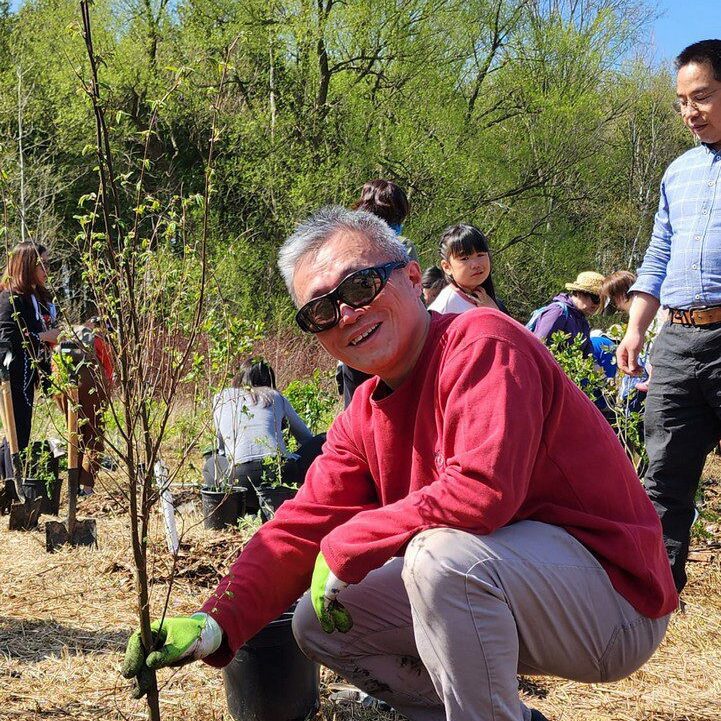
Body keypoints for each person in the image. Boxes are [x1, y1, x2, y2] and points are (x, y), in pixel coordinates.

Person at [124, 206, 676, 721]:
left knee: (441, 558)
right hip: (517, 593)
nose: (346, 314)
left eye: (361, 286)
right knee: (319, 625)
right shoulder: (364, 414)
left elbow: (480, 492)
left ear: (413, 278)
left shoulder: (483, 343)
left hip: (614, 601)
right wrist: (213, 622)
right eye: (320, 310)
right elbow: (299, 525)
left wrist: (349, 542)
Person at [617, 39, 721, 594]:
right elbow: (657, 256)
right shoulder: (676, 172)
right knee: (664, 475)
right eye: (682, 101)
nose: (689, 112)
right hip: (677, 342)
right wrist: (635, 327)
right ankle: (656, 594)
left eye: (700, 97)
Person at [339, 179, 418, 406]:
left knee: (357, 414)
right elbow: (413, 296)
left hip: (353, 341)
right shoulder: (402, 245)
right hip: (392, 343)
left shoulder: (345, 243)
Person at [204, 359, 317, 513]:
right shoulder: (274, 396)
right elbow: (305, 438)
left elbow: (222, 450)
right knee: (322, 441)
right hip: (279, 475)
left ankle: (230, 513)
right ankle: (311, 499)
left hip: (238, 482)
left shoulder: (220, 398)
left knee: (211, 462)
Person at [0, 242, 60, 502]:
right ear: (27, 266)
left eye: (48, 263)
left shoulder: (37, 299)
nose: (47, 269)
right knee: (17, 431)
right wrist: (45, 336)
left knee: (20, 431)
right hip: (11, 372)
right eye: (42, 264)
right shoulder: (9, 299)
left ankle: (11, 486)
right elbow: (9, 339)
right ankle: (13, 488)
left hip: (29, 371)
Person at [53, 319, 114, 495]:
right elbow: (108, 369)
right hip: (92, 383)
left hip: (64, 383)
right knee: (94, 435)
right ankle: (87, 488)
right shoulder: (98, 340)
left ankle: (72, 488)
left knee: (74, 434)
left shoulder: (64, 339)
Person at [428, 223, 506, 314]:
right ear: (447, 267)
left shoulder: (486, 298)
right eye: (464, 258)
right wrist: (492, 314)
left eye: (480, 255)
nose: (475, 264)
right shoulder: (445, 308)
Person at [527, 271, 604, 356]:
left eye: (602, 300)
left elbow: (588, 356)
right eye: (596, 298)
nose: (598, 304)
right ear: (579, 293)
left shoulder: (583, 322)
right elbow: (538, 346)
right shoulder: (558, 312)